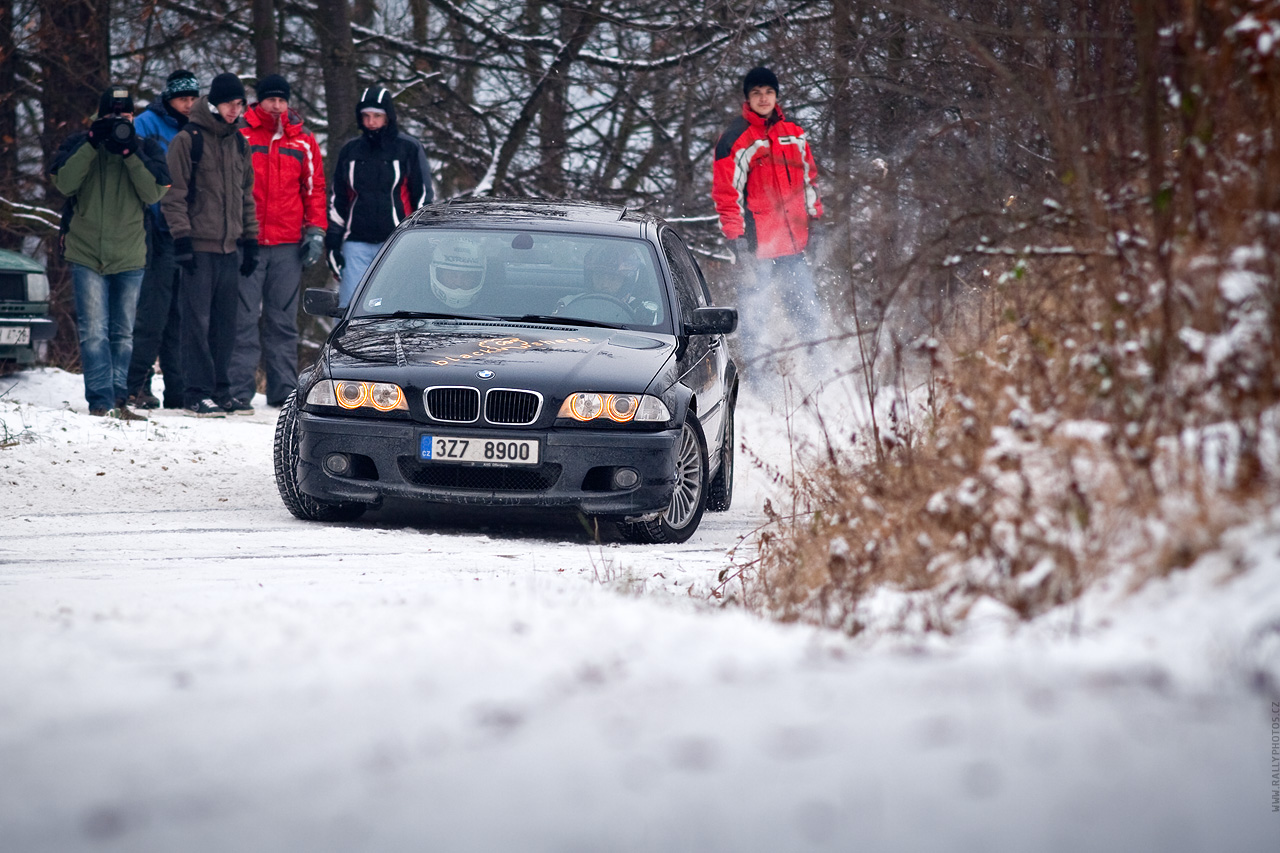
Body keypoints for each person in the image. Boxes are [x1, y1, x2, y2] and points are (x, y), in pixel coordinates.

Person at [49, 85, 171, 420]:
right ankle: (100, 400)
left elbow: (153, 193)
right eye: (113, 115)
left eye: (126, 115)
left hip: (130, 253)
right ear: (101, 116)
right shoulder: (79, 143)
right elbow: (64, 183)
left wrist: (131, 153)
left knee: (122, 333)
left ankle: (119, 398)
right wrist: (92, 142)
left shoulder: (146, 148)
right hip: (86, 251)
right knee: (93, 331)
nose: (120, 121)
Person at [711, 66, 824, 370]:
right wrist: (736, 242)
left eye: (769, 92)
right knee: (754, 321)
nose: (764, 98)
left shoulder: (795, 135)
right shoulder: (734, 139)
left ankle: (823, 381)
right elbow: (727, 195)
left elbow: (809, 183)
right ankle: (761, 390)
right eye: (757, 92)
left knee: (808, 314)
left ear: (776, 95)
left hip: (793, 248)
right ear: (748, 97)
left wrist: (818, 223)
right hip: (756, 249)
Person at [161, 72, 258, 417]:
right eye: (232, 103)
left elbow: (247, 196)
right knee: (196, 322)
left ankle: (220, 388)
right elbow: (174, 195)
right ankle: (195, 392)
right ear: (216, 102)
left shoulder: (239, 143)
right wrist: (182, 239)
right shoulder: (188, 140)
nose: (237, 109)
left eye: (241, 104)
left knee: (225, 324)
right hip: (198, 247)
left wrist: (251, 239)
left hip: (230, 248)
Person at [228, 74, 327, 411]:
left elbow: (315, 189)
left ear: (288, 103)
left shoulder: (303, 140)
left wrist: (315, 230)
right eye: (271, 100)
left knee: (282, 321)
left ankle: (282, 390)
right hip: (248, 241)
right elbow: (227, 183)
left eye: (282, 100)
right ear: (260, 101)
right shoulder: (241, 133)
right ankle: (239, 388)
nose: (277, 106)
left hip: (287, 244)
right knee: (242, 319)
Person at [125, 69, 200, 410]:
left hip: (185, 230)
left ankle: (178, 389)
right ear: (168, 98)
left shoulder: (196, 129)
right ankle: (136, 385)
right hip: (153, 228)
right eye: (183, 98)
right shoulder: (147, 124)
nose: (188, 104)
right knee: (152, 313)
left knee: (179, 316)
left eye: (192, 98)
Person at [326, 86, 433, 307]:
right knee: (351, 307)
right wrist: (333, 243)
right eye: (365, 116)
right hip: (356, 242)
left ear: (388, 117)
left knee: (396, 307)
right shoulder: (350, 151)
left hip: (396, 241)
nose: (371, 121)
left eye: (377, 116)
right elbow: (339, 199)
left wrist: (420, 241)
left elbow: (422, 197)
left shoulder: (408, 148)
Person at [556, 243, 659, 324]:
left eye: (613, 278)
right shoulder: (568, 303)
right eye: (599, 276)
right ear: (589, 277)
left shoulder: (642, 312)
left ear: (627, 282)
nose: (604, 284)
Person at [428, 238, 486, 310]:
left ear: (476, 278)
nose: (458, 282)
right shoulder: (416, 304)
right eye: (451, 275)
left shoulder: (492, 306)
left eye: (467, 276)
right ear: (439, 274)